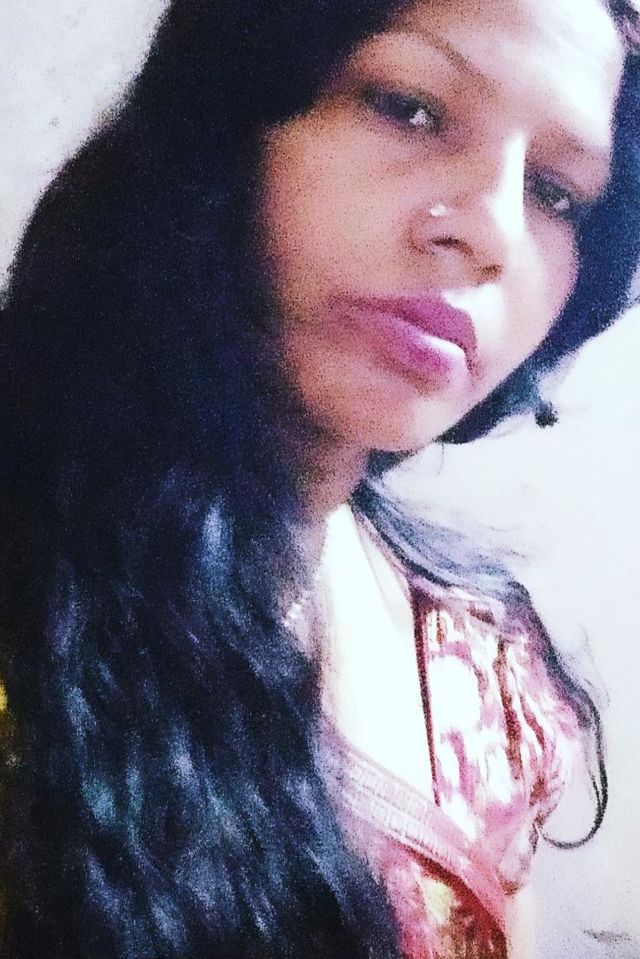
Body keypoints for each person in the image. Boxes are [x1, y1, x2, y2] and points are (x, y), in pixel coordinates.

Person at [0, 0, 639, 956]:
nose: (492, 231)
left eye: (556, 192)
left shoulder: (486, 677)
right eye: (410, 108)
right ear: (231, 112)